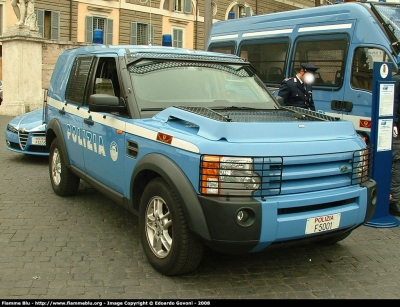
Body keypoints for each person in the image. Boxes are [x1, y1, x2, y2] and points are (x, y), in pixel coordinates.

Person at [389, 64, 400, 216]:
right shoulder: (396, 81)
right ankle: (393, 201)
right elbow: (394, 105)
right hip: (397, 129)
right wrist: (395, 123)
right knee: (396, 164)